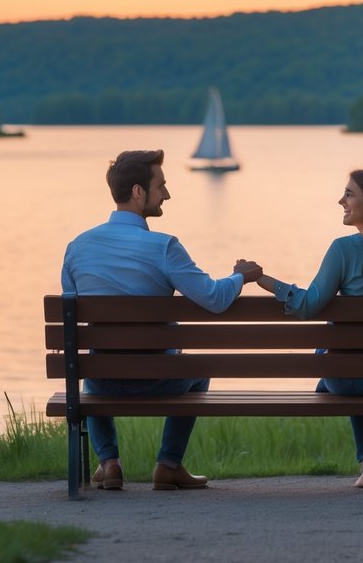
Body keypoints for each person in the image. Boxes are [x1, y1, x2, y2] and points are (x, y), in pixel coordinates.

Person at [61, 148, 262, 491]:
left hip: (103, 381)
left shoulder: (78, 247)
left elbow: (73, 314)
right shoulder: (164, 246)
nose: (167, 194)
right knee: (198, 372)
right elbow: (214, 299)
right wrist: (240, 276)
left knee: (88, 373)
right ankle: (168, 464)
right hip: (158, 379)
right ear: (138, 191)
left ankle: (109, 462)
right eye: (161, 186)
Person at [256, 168, 363, 489]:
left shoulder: (343, 250)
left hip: (349, 378)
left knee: (345, 357)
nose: (340, 201)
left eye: (349, 194)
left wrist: (265, 280)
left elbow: (307, 305)